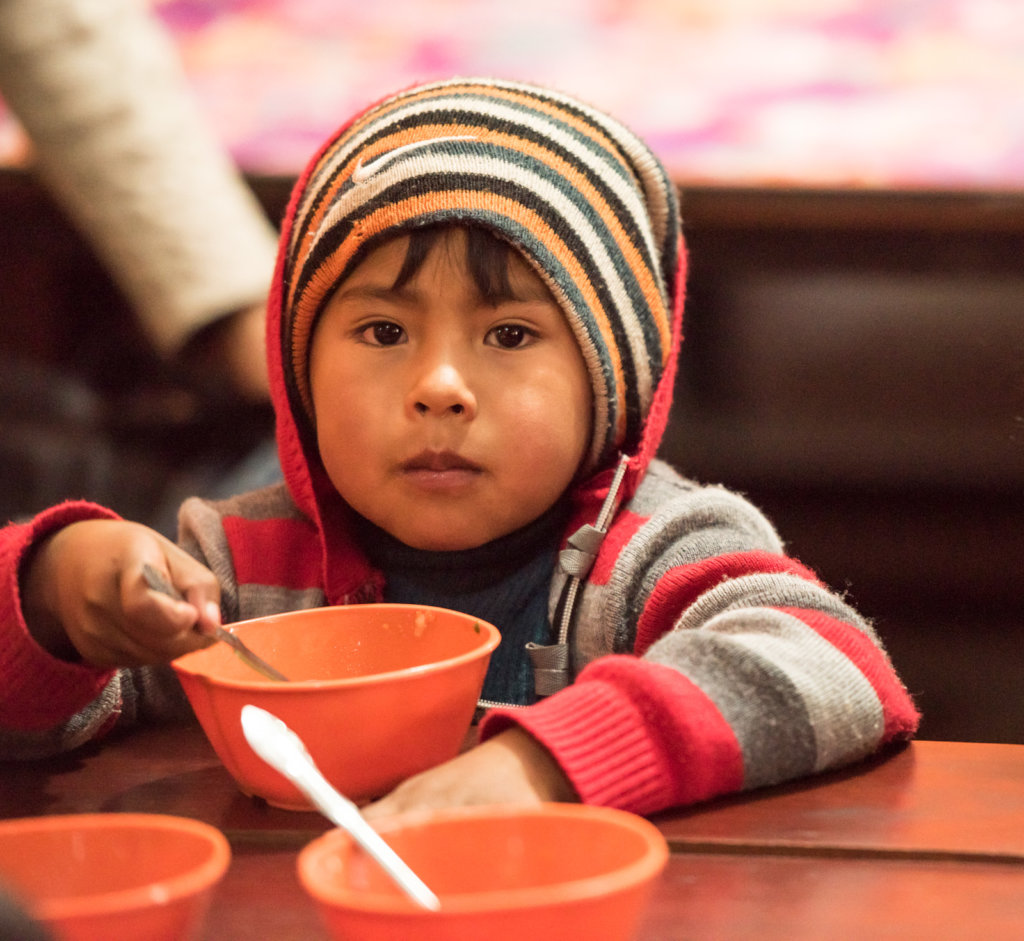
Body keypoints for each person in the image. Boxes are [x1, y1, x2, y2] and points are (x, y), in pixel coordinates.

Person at [0, 78, 919, 815]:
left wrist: (548, 764)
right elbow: (45, 717)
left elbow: (834, 661)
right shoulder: (237, 571)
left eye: (510, 336)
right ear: (296, 367)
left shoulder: (649, 550)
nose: (440, 385)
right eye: (384, 333)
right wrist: (54, 591)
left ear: (614, 382)